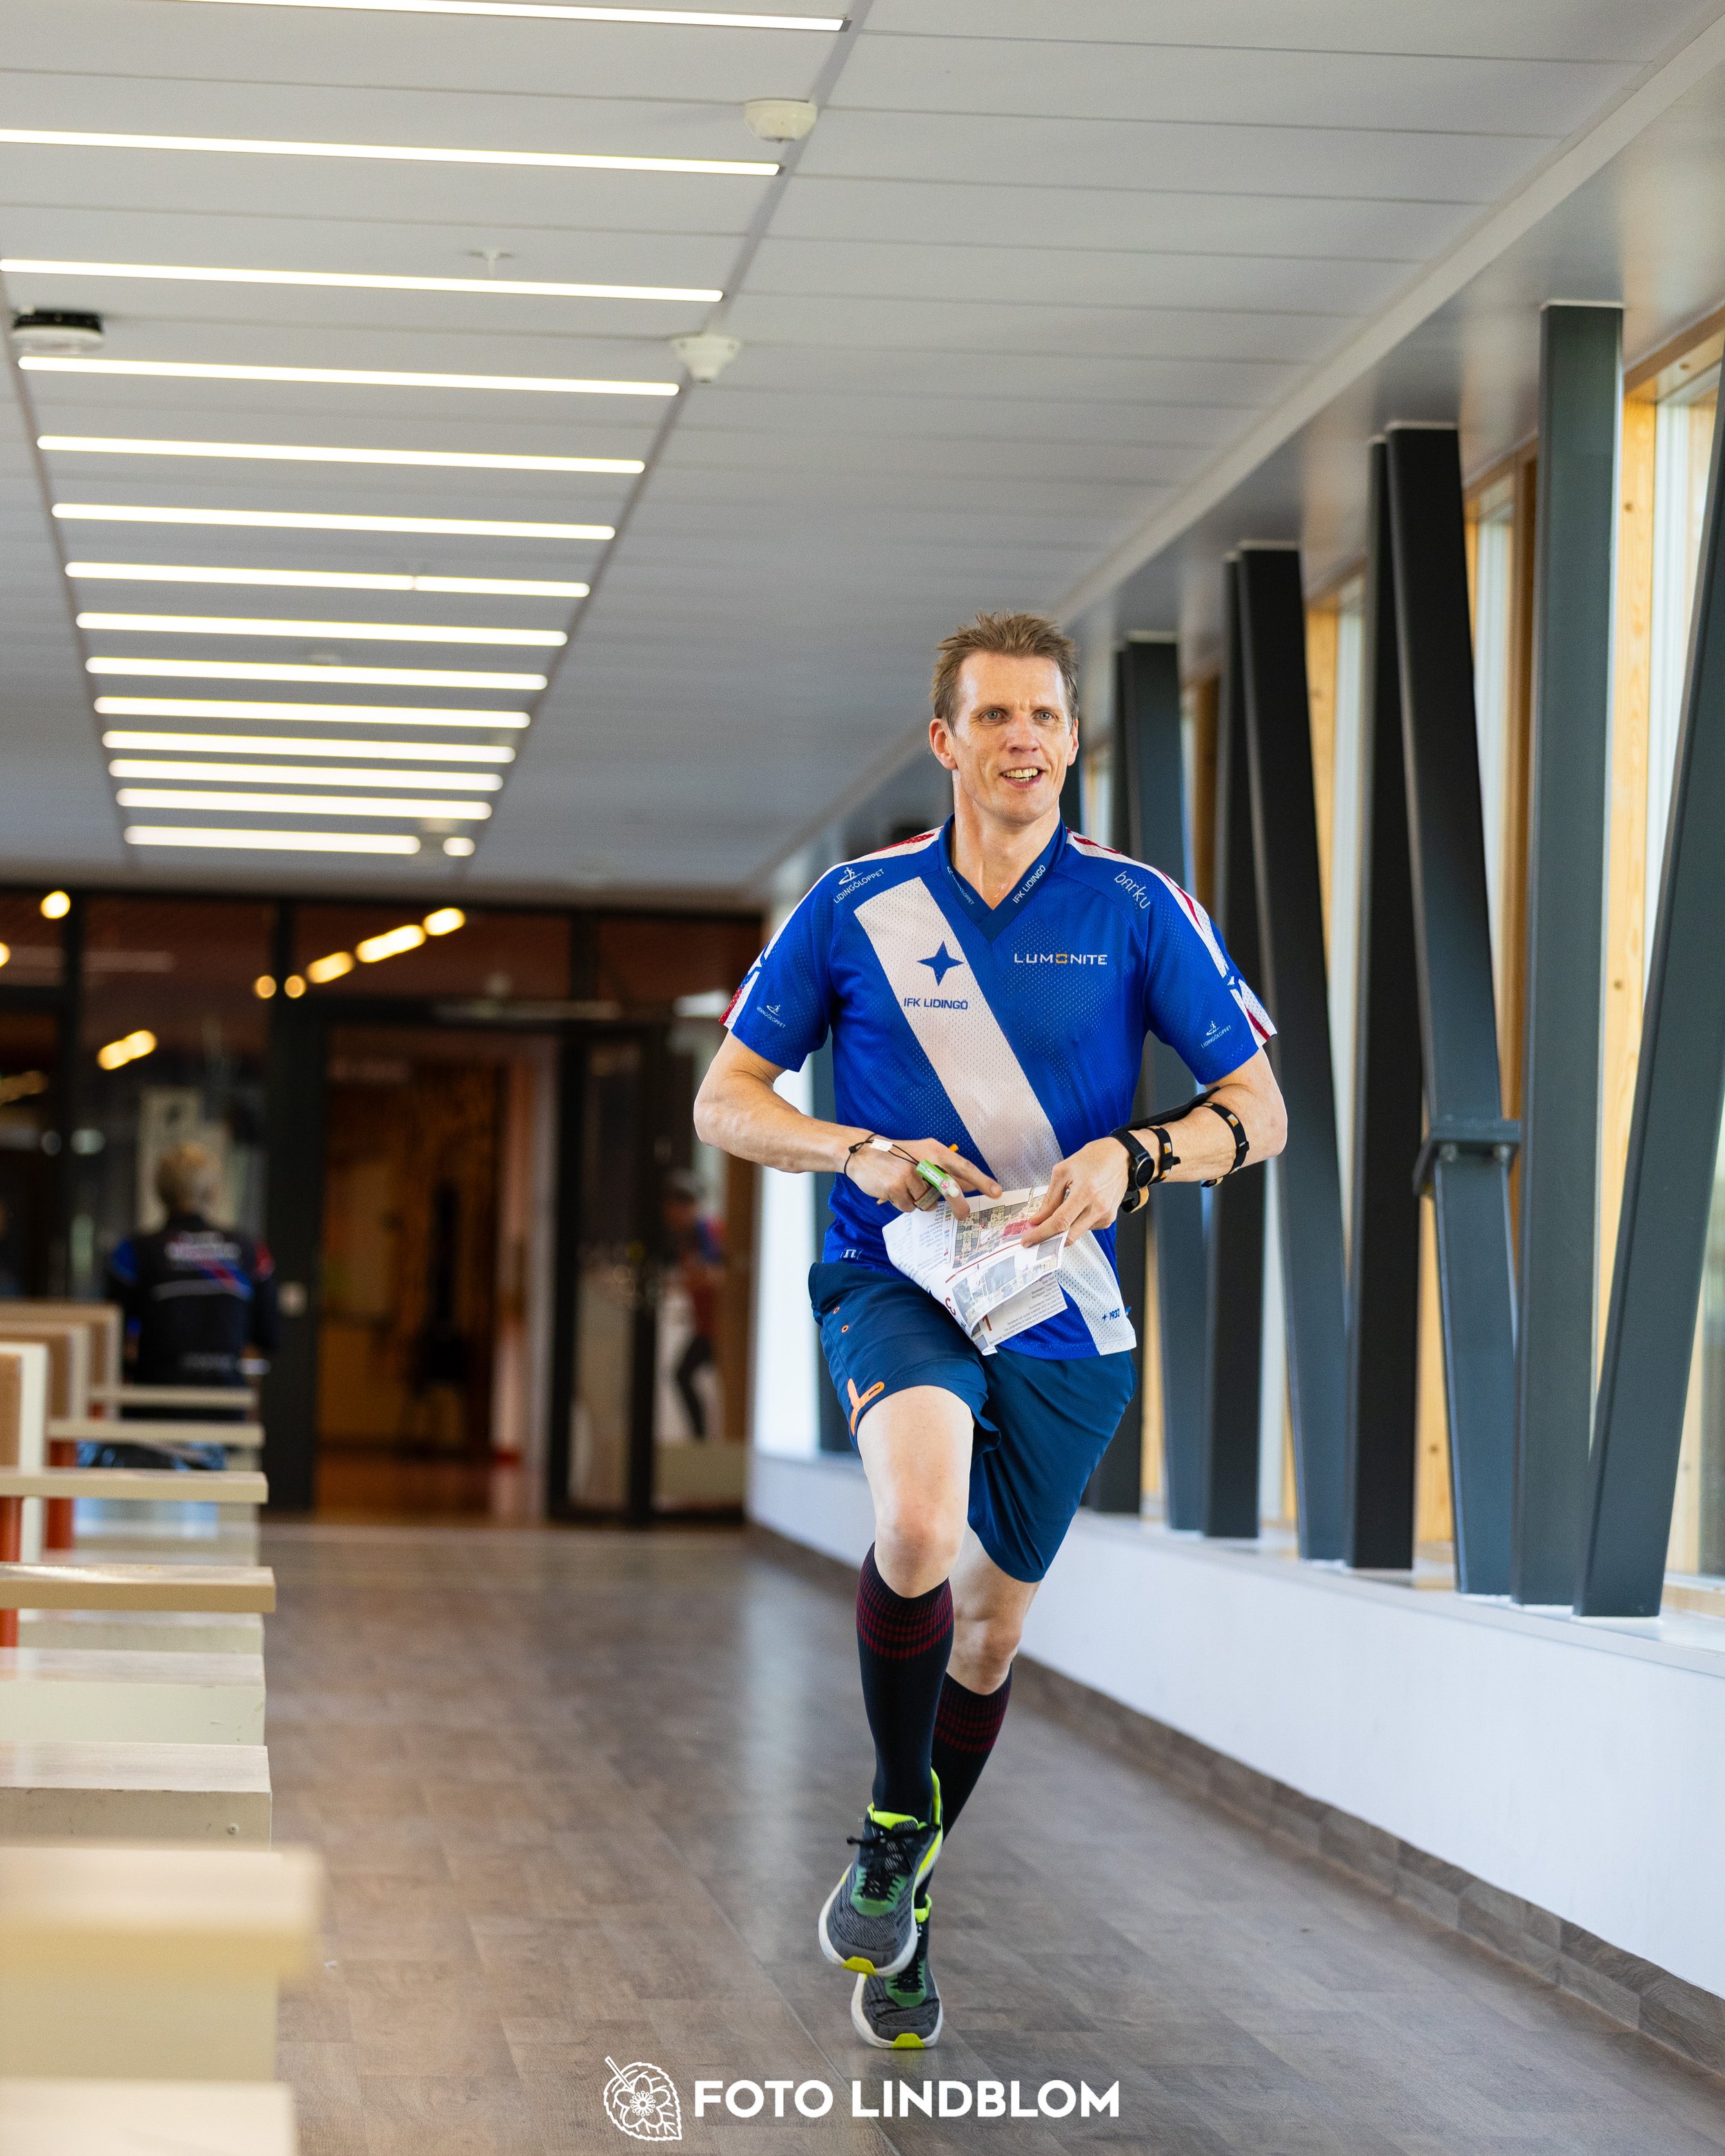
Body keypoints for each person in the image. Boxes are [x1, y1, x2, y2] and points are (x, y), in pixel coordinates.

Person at [693, 611, 1286, 2048]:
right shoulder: (852, 904)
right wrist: (851, 1150)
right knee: (914, 1526)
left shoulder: (1139, 907)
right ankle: (894, 1817)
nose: (1025, 740)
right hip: (897, 1264)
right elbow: (726, 1099)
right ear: (945, 740)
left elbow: (1257, 1114)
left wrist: (1134, 1157)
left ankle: (905, 1904)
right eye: (995, 717)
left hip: (1060, 1297)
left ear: (1069, 737)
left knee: (991, 1625)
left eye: (1045, 717)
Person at [103, 1143, 277, 1464]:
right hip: (225, 1408)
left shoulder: (134, 1252)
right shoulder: (251, 1251)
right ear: (213, 1192)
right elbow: (270, 1335)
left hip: (154, 1407)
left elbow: (108, 1338)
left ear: (159, 1192)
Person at [660, 1170, 724, 1441]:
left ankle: (704, 1442)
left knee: (684, 1375)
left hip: (717, 1326)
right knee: (683, 1375)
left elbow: (718, 1276)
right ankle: (701, 1440)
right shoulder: (687, 1237)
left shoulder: (708, 1231)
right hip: (705, 1325)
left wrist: (686, 1282)